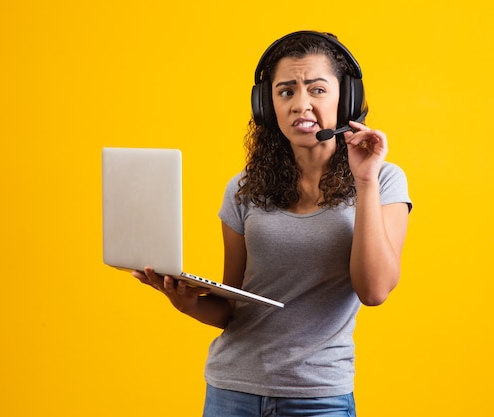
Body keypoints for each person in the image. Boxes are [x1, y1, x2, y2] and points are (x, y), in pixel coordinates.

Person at [132, 30, 412, 417]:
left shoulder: (383, 180)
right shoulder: (244, 187)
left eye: (317, 90)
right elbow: (231, 306)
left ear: (346, 99)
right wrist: (185, 302)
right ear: (268, 106)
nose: (301, 105)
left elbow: (375, 289)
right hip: (232, 390)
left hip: (318, 397)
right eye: (286, 92)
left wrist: (363, 180)